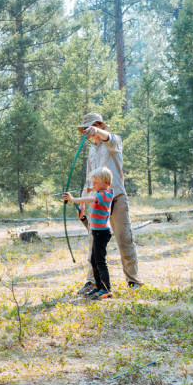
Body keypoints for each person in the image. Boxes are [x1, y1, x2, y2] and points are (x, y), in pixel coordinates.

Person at [74, 113, 142, 294]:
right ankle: (93, 282)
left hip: (116, 198)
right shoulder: (91, 151)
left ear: (100, 126)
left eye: (92, 128)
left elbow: (109, 138)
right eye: (87, 129)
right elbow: (89, 180)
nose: (88, 132)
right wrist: (81, 204)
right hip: (96, 203)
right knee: (93, 242)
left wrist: (97, 131)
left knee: (124, 238)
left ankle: (133, 280)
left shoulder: (114, 141)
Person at [63, 167, 114, 300]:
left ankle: (106, 289)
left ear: (106, 183)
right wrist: (91, 190)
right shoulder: (99, 192)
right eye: (93, 182)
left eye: (96, 182)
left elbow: (90, 199)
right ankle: (98, 287)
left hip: (102, 233)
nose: (93, 185)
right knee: (94, 260)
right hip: (97, 232)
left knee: (100, 261)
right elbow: (92, 194)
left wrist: (73, 200)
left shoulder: (106, 195)